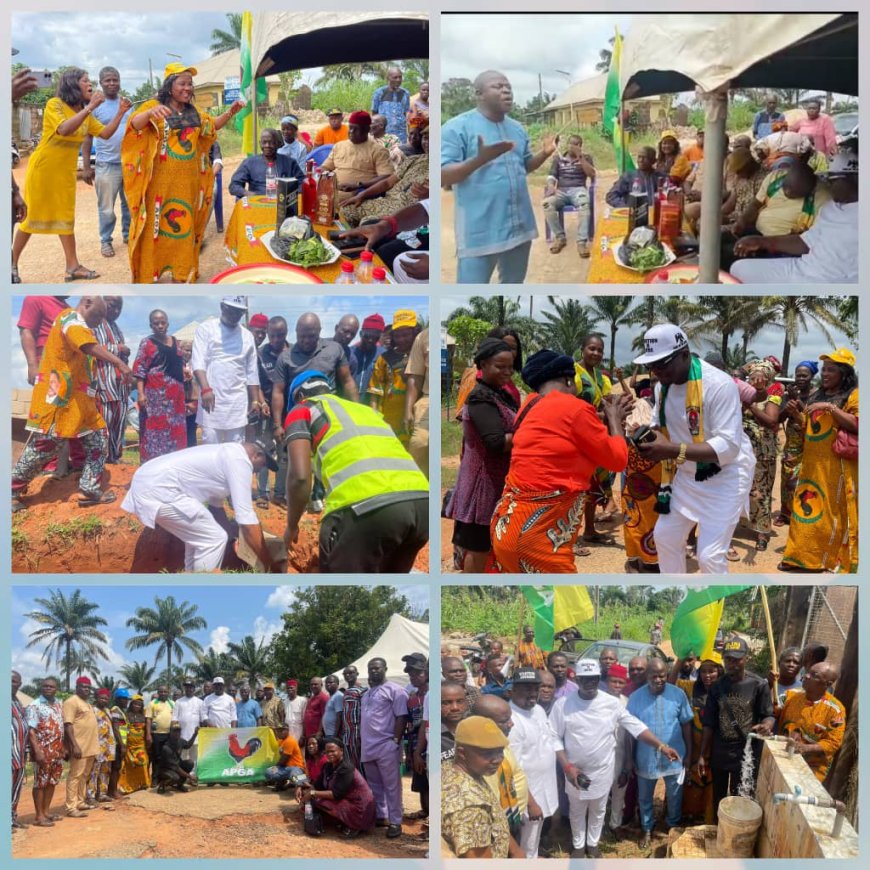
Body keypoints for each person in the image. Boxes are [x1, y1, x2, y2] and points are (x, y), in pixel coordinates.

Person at [490, 349, 631, 573]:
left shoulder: (528, 407)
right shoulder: (575, 408)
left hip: (506, 529)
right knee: (572, 607)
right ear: (568, 379)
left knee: (541, 605)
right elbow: (618, 460)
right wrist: (615, 420)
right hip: (539, 539)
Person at [633, 325, 756, 574]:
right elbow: (661, 425)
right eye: (651, 365)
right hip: (689, 475)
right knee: (665, 537)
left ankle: (713, 608)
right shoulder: (662, 387)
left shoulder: (719, 385)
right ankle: (677, 596)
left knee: (709, 557)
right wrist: (643, 434)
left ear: (685, 354)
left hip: (726, 476)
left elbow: (729, 447)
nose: (656, 371)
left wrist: (670, 449)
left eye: (662, 363)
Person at [282, 371, 429, 572]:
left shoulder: (302, 409)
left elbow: (299, 478)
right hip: (422, 504)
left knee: (338, 587)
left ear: (299, 397)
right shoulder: (366, 411)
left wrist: (291, 526)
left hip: (367, 507)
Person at [122, 63, 242, 283]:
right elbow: (134, 126)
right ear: (170, 86)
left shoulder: (194, 112)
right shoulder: (153, 106)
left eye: (190, 84)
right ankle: (151, 273)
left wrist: (229, 113)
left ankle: (181, 272)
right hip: (159, 185)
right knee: (154, 230)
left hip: (188, 185)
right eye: (182, 84)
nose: (188, 88)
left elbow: (212, 126)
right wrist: (149, 113)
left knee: (184, 229)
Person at [12, 296, 133, 512]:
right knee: (44, 448)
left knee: (98, 440)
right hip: (59, 398)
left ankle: (89, 489)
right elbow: (87, 346)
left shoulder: (84, 326)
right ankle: (11, 490)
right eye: (97, 315)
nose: (98, 322)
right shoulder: (71, 319)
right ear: (86, 303)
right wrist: (120, 363)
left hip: (81, 403)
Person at [550, 660, 680, 858]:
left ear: (598, 678)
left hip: (603, 770)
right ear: (576, 678)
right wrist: (567, 768)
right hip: (574, 772)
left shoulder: (610, 703)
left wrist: (661, 746)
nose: (589, 683)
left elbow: (635, 726)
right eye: (584, 679)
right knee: (577, 810)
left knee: (598, 809)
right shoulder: (563, 705)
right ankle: (578, 845)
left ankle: (592, 843)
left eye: (593, 679)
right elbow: (554, 737)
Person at [12, 68, 131, 282]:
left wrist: (121, 112)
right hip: (44, 171)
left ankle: (73, 266)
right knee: (31, 218)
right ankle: (11, 263)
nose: (90, 84)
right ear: (71, 84)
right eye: (85, 81)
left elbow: (104, 133)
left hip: (64, 174)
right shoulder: (55, 104)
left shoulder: (84, 114)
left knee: (66, 218)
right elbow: (64, 129)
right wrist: (92, 107)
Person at [442, 70, 557, 283]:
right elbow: (442, 176)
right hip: (480, 233)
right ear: (479, 94)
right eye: (498, 86)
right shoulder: (456, 128)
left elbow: (524, 166)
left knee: (511, 291)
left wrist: (545, 153)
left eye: (509, 87)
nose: (506, 91)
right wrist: (479, 159)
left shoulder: (517, 128)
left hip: (520, 228)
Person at [121, 438, 278, 572]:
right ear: (256, 455)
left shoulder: (228, 453)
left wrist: (233, 540)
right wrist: (268, 565)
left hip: (151, 482)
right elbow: (246, 518)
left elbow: (216, 509)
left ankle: (192, 576)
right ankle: (202, 582)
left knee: (200, 537)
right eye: (263, 464)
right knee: (213, 539)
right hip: (158, 489)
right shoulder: (240, 460)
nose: (259, 470)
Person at [779, 348, 858, 572]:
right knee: (807, 508)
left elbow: (857, 424)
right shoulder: (817, 395)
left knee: (831, 514)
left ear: (844, 373)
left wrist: (830, 408)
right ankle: (799, 557)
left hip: (837, 466)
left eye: (831, 370)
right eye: (824, 370)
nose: (825, 374)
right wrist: (797, 415)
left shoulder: (854, 395)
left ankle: (827, 560)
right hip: (812, 464)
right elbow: (811, 427)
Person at [445, 338, 519, 572]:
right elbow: (495, 442)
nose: (507, 372)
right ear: (483, 365)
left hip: (496, 482)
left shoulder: (499, 394)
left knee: (492, 545)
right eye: (500, 366)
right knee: (478, 548)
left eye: (510, 366)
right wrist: (532, 433)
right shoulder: (480, 398)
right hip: (481, 488)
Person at [731, 149, 858, 284]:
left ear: (854, 178)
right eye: (827, 178)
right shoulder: (830, 208)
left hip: (834, 280)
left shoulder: (828, 201)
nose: (829, 184)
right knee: (738, 269)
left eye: (832, 179)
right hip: (802, 268)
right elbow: (805, 242)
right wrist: (760, 242)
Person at [696, 637, 774, 817]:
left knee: (741, 797)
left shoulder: (758, 684)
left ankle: (737, 835)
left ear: (746, 658)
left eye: (737, 659)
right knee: (719, 798)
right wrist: (703, 755)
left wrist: (766, 725)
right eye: (729, 659)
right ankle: (719, 832)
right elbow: (709, 724)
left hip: (746, 753)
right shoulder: (717, 687)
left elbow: (768, 714)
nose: (732, 664)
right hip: (720, 752)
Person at [626, 659, 693, 849]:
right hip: (645, 757)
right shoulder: (635, 698)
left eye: (662, 675)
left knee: (674, 794)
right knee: (645, 796)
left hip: (675, 755)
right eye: (654, 676)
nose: (658, 679)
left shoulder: (678, 694)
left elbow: (686, 724)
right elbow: (630, 732)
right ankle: (647, 827)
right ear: (646, 676)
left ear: (667, 674)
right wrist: (630, 757)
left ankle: (672, 826)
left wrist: (688, 754)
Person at [442, 715, 521, 858]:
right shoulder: (471, 808)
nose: (498, 759)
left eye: (500, 751)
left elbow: (495, 820)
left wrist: (516, 852)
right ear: (462, 753)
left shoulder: (456, 768)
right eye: (488, 753)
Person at [192, 296, 263, 445]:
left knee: (235, 448)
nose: (235, 315)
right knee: (210, 446)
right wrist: (205, 389)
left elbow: (252, 372)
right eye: (232, 311)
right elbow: (198, 363)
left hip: (237, 402)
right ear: (222, 307)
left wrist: (255, 400)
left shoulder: (247, 336)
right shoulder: (205, 329)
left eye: (239, 312)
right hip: (211, 399)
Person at [270, 313, 359, 431]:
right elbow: (278, 392)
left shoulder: (334, 349)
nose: (306, 340)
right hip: (299, 418)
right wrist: (277, 425)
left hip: (329, 416)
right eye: (302, 336)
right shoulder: (285, 357)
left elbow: (347, 382)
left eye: (311, 336)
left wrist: (358, 412)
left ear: (319, 331)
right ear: (296, 332)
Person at [80, 67, 132, 259]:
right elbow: (87, 138)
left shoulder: (127, 104)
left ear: (120, 81)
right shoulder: (96, 106)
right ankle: (106, 241)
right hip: (106, 165)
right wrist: (87, 167)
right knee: (106, 207)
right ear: (100, 83)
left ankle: (128, 235)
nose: (112, 84)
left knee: (129, 204)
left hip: (129, 163)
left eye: (115, 80)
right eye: (108, 80)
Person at [574, 334, 618, 553]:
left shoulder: (602, 378)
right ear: (582, 349)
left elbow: (608, 402)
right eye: (592, 349)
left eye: (600, 350)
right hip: (578, 438)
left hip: (596, 438)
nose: (596, 354)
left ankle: (589, 530)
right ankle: (568, 538)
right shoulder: (573, 374)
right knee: (576, 488)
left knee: (593, 487)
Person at [508, 668, 558, 858]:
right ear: (513, 690)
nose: (532, 693)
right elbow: (512, 769)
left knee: (533, 839)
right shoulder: (511, 718)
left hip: (544, 786)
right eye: (526, 688)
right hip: (527, 796)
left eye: (535, 688)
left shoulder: (537, 710)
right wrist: (530, 803)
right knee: (525, 844)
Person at [341, 126, 429, 226]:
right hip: (387, 202)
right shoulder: (414, 160)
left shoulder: (444, 167)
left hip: (408, 212)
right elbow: (387, 183)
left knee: (368, 223)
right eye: (426, 138)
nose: (427, 143)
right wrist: (362, 195)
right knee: (346, 210)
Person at [360, 657, 408, 838]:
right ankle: (382, 816)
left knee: (392, 786)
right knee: (375, 785)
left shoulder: (395, 690)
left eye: (377, 668)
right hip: (368, 746)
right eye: (371, 668)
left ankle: (396, 821)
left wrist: (395, 741)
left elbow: (401, 717)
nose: (374, 671)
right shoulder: (366, 694)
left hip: (386, 745)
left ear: (385, 669)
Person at [133, 309, 187, 462]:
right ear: (151, 325)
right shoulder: (146, 343)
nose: (160, 326)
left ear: (168, 323)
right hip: (156, 398)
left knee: (176, 433)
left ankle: (174, 468)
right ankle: (152, 469)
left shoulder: (176, 342)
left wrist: (184, 371)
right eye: (156, 323)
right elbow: (140, 369)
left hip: (176, 398)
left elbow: (176, 364)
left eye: (163, 322)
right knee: (154, 434)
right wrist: (141, 394)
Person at [296, 736, 377, 837]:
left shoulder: (346, 768)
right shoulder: (328, 766)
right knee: (311, 801)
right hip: (346, 802)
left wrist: (312, 793)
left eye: (332, 751)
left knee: (317, 800)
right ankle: (340, 822)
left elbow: (336, 794)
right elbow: (317, 785)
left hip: (360, 808)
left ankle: (353, 826)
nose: (329, 754)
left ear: (341, 751)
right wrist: (303, 790)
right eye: (327, 752)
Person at [740, 360, 783, 551]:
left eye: (760, 375)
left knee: (761, 492)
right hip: (742, 450)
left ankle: (762, 532)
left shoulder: (772, 397)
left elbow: (772, 421)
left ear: (767, 379)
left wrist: (752, 406)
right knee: (741, 489)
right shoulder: (743, 393)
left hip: (762, 452)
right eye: (753, 375)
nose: (755, 378)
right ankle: (741, 523)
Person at [777, 662, 845, 781]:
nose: (807, 676)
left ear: (827, 684)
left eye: (814, 675)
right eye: (808, 672)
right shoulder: (790, 695)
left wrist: (805, 748)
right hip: (781, 758)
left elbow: (833, 743)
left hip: (810, 771)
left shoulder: (835, 710)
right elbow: (771, 712)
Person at [680, 655, 723, 823]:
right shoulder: (691, 688)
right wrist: (679, 660)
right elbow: (670, 683)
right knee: (691, 781)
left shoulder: (726, 691)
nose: (707, 675)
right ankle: (687, 815)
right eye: (703, 671)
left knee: (710, 782)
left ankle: (707, 818)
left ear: (719, 672)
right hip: (692, 745)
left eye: (711, 671)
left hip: (714, 747)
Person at [320, 111, 393, 207]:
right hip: (329, 198)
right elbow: (324, 168)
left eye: (356, 129)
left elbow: (387, 177)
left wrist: (359, 185)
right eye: (350, 128)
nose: (351, 131)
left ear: (367, 129)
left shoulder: (378, 151)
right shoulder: (339, 146)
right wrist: (331, 182)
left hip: (360, 201)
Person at [776, 361, 817, 525]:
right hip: (792, 442)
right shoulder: (787, 395)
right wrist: (787, 407)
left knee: (805, 478)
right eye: (798, 375)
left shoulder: (817, 395)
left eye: (804, 375)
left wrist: (797, 400)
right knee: (787, 476)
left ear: (812, 376)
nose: (800, 378)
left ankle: (801, 511)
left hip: (811, 441)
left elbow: (813, 418)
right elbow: (778, 419)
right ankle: (785, 513)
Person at [256, 316, 290, 508]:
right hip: (267, 412)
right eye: (273, 335)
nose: (276, 339)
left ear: (286, 333)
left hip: (288, 412)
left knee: (284, 453)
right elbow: (257, 383)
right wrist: (262, 403)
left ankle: (279, 494)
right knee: (264, 451)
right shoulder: (261, 354)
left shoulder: (294, 352)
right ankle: (262, 494)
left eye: (281, 335)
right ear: (268, 334)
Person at [92, 296, 131, 463]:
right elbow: (91, 347)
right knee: (104, 422)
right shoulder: (94, 323)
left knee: (119, 422)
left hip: (119, 384)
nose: (115, 311)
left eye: (119, 309)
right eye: (112, 306)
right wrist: (118, 348)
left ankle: (114, 458)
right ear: (102, 303)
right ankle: (101, 460)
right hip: (103, 382)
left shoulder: (116, 328)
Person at [543, 134, 596, 257]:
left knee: (584, 204)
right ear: (568, 144)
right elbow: (551, 176)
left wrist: (580, 157)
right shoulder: (558, 158)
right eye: (572, 144)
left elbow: (591, 174)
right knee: (547, 203)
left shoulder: (586, 158)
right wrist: (551, 186)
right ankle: (560, 237)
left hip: (578, 190)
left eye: (577, 144)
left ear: (581, 146)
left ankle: (581, 242)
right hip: (561, 190)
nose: (574, 146)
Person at [368, 310, 418, 441]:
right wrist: (374, 415)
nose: (402, 339)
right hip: (389, 419)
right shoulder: (384, 359)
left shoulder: (422, 355)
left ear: (415, 332)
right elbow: (375, 390)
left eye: (406, 334)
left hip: (416, 416)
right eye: (398, 335)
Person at [24, 677, 65, 827]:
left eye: (51, 686)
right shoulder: (34, 706)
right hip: (43, 751)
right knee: (40, 783)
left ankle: (46, 812)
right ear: (41, 688)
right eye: (45, 686)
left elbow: (61, 727)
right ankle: (39, 816)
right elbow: (31, 731)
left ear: (56, 689)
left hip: (57, 751)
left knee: (52, 781)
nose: (48, 688)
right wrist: (38, 751)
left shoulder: (58, 704)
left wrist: (64, 747)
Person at [228, 128, 304, 198]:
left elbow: (303, 183)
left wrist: (290, 195)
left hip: (283, 205)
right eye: (264, 142)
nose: (267, 146)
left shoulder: (289, 162)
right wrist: (249, 194)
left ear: (277, 144)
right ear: (260, 143)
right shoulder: (249, 162)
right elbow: (234, 186)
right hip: (257, 205)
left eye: (271, 142)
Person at [62, 676, 98, 817]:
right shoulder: (71, 702)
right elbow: (68, 725)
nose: (86, 690)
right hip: (79, 747)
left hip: (90, 747)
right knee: (75, 776)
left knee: (84, 775)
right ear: (77, 687)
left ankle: (80, 802)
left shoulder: (87, 703)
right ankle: (71, 807)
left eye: (88, 687)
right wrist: (74, 746)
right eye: (83, 687)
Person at [404, 654, 429, 819]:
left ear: (426, 673)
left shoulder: (435, 694)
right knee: (420, 781)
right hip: (415, 744)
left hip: (430, 745)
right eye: (411, 674)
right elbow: (410, 726)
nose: (413, 677)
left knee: (431, 782)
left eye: (417, 674)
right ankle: (425, 811)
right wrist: (411, 752)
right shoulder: (411, 698)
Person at [404, 327, 430, 477]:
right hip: (428, 397)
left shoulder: (448, 338)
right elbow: (416, 376)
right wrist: (407, 410)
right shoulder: (423, 337)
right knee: (420, 442)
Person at [11, 671, 35, 831]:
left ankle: (12, 818)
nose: (15, 685)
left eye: (17, 682)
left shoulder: (18, 701)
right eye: (12, 681)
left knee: (16, 788)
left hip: (19, 754)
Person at [85, 688, 116, 804]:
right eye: (101, 698)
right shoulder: (92, 710)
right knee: (94, 771)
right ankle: (90, 796)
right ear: (97, 698)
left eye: (106, 698)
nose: (104, 700)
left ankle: (102, 794)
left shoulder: (108, 711)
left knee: (105, 771)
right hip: (97, 745)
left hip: (108, 747)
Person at [348, 314, 384, 403]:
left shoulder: (383, 355)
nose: (371, 340)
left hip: (371, 407)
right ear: (361, 334)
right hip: (348, 404)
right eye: (367, 335)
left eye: (375, 336)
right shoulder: (349, 353)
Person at [118, 694, 150, 794]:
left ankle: (142, 783)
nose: (137, 706)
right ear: (131, 704)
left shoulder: (143, 716)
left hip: (140, 744)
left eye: (139, 705)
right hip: (129, 745)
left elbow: (146, 729)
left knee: (143, 762)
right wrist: (123, 743)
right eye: (135, 704)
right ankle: (128, 786)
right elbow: (122, 729)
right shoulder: (126, 715)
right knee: (129, 764)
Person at [371, 68, 410, 143]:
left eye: (400, 77)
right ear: (388, 78)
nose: (398, 80)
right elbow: (374, 113)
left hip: (401, 133)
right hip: (384, 133)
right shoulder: (379, 93)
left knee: (399, 153)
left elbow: (406, 113)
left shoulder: (405, 93)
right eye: (395, 77)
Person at [155, 722, 197, 793]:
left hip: (176, 766)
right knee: (175, 777)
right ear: (170, 732)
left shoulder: (180, 741)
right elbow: (176, 768)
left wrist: (195, 734)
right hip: (165, 770)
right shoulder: (166, 748)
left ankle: (179, 785)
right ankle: (163, 784)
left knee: (190, 763)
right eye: (175, 731)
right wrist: (190, 777)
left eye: (179, 731)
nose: (177, 733)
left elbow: (188, 745)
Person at [145, 684, 174, 784]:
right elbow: (148, 720)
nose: (163, 693)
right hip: (156, 734)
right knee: (156, 757)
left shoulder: (172, 703)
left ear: (168, 692)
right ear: (158, 692)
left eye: (165, 691)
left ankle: (165, 778)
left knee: (167, 757)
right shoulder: (152, 703)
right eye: (161, 691)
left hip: (169, 734)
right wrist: (148, 734)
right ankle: (155, 778)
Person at [337, 667, 365, 769]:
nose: (348, 675)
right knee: (350, 765)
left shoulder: (363, 691)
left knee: (360, 764)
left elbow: (363, 715)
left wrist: (360, 737)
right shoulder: (345, 692)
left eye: (351, 673)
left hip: (357, 735)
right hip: (347, 736)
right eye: (346, 673)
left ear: (357, 673)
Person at [265, 723, 305, 790]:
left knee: (297, 780)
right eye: (277, 731)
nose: (279, 732)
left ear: (287, 730)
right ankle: (285, 782)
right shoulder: (281, 741)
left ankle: (303, 784)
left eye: (281, 730)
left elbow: (283, 760)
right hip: (286, 768)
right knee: (268, 772)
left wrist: (275, 768)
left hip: (296, 767)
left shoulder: (290, 741)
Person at [174, 680, 203, 770]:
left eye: (191, 687)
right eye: (187, 687)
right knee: (182, 757)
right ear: (184, 689)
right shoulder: (178, 702)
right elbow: (174, 718)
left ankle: (193, 776)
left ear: (194, 689)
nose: (189, 689)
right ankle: (184, 777)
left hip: (195, 735)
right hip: (182, 736)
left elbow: (202, 720)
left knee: (194, 757)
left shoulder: (200, 702)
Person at [441, 682, 467, 762]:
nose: (455, 708)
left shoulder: (477, 729)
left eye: (459, 701)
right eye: (446, 703)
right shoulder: (431, 735)